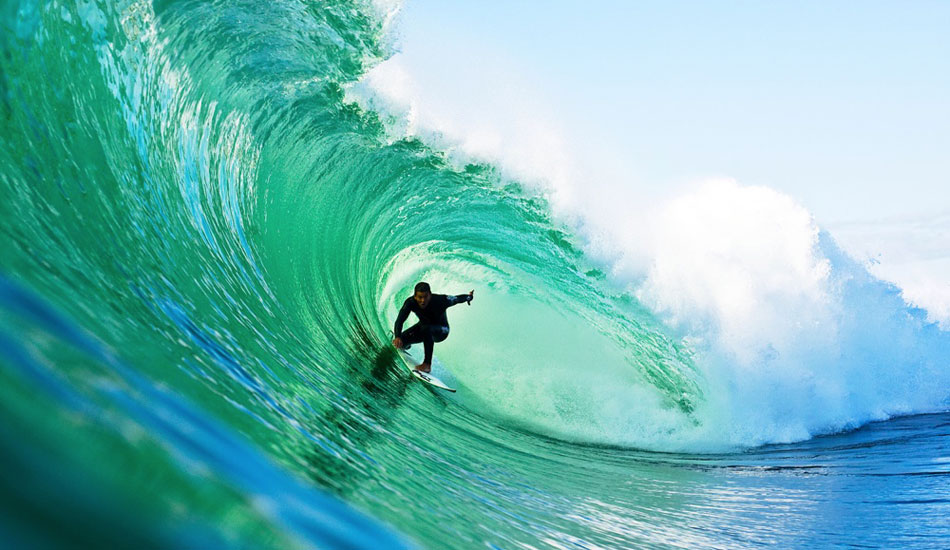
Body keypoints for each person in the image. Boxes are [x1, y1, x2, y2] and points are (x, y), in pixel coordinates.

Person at [392, 282, 474, 373]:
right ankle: (405, 346)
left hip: (442, 331)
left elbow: (457, 299)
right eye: (420, 297)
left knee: (427, 329)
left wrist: (469, 297)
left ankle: (427, 365)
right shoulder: (410, 303)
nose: (423, 300)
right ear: (415, 296)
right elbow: (400, 320)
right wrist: (398, 337)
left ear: (430, 295)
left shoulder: (441, 300)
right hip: (423, 327)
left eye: (425, 297)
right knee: (402, 340)